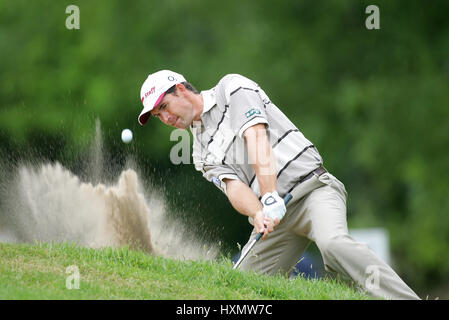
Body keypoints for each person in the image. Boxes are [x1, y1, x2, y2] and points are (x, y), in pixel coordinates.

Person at [137, 69, 420, 300]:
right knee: (236, 290)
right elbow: (234, 187)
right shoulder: (199, 152)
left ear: (182, 90)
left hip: (313, 189)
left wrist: (270, 195)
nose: (166, 118)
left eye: (164, 106)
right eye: (159, 115)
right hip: (276, 218)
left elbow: (256, 137)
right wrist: (258, 213)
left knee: (333, 243)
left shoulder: (232, 89)